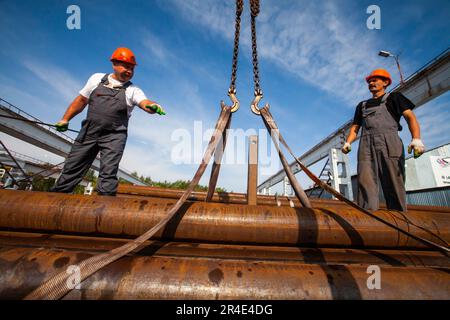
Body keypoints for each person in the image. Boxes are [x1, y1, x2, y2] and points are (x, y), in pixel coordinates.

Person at [51, 47, 165, 196]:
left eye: (131, 68)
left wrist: (152, 106)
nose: (129, 71)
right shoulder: (96, 79)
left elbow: (144, 102)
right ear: (114, 64)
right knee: (72, 168)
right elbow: (81, 100)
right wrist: (65, 119)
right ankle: (54, 201)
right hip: (89, 132)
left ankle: (103, 210)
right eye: (126, 66)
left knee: (108, 175)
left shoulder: (133, 90)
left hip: (114, 136)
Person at [342, 69, 425, 212]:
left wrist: (416, 139)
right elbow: (355, 128)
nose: (371, 83)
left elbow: (410, 118)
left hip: (390, 142)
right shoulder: (362, 105)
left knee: (393, 181)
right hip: (366, 145)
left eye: (375, 80)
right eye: (369, 81)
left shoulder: (395, 98)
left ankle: (399, 218)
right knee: (365, 180)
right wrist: (348, 142)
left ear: (385, 82)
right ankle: (368, 215)